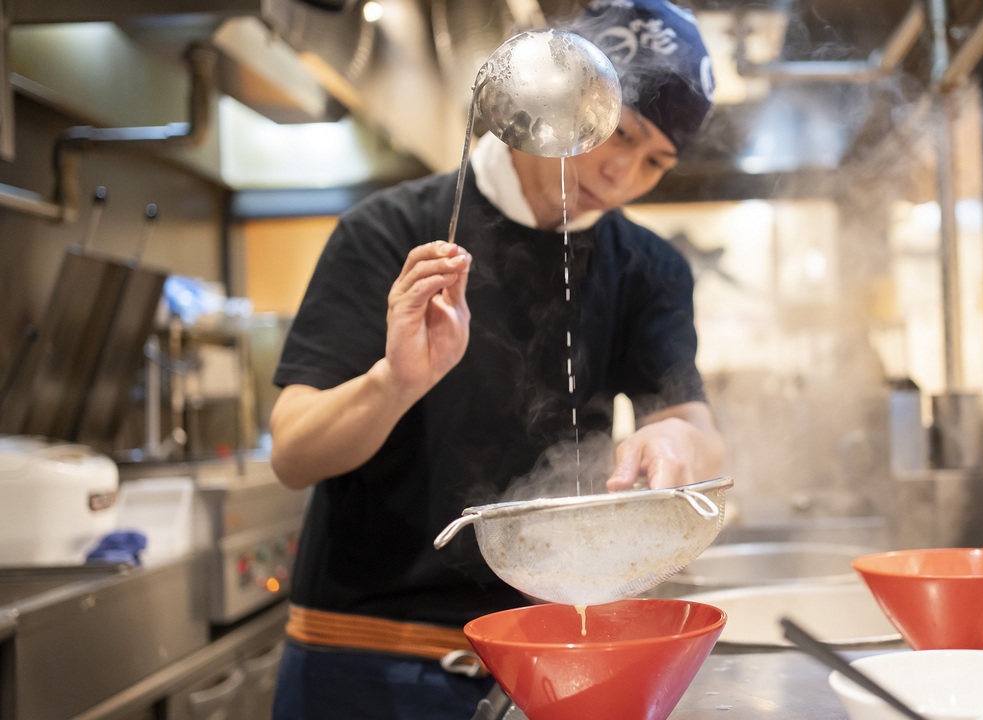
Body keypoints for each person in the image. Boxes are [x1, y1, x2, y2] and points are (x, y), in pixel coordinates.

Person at [267, 1, 724, 718]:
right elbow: (292, 454)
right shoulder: (390, 232)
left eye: (656, 161)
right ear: (561, 100)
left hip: (552, 659)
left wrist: (679, 437)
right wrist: (396, 381)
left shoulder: (647, 267)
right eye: (620, 133)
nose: (624, 170)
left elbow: (693, 420)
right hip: (364, 659)